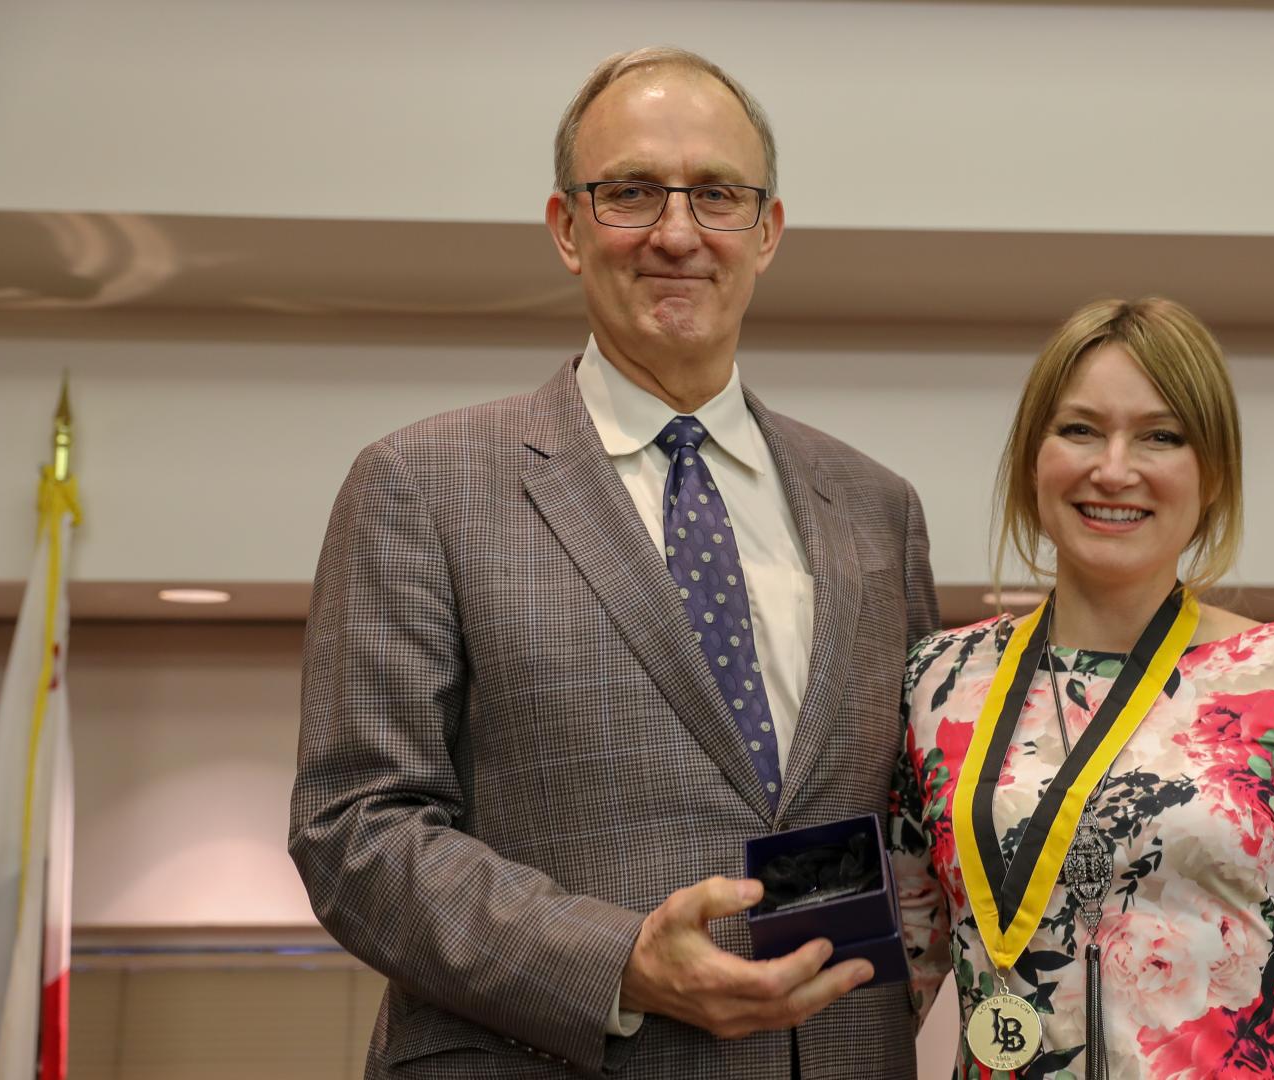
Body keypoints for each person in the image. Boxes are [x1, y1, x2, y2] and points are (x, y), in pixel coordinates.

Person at [290, 47, 937, 1080]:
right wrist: (619, 964)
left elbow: (891, 823)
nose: (678, 233)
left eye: (717, 195)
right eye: (632, 192)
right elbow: (356, 832)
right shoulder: (421, 483)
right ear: (567, 227)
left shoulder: (874, 509)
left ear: (765, 232)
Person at [890, 298, 1274, 1080]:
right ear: (1032, 458)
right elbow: (895, 966)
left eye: (1161, 436)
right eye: (1080, 429)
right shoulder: (940, 682)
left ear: (1213, 472)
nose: (1113, 468)